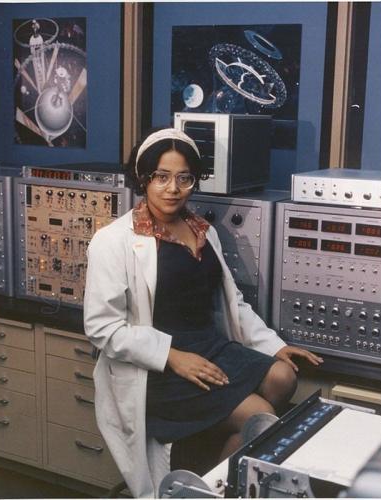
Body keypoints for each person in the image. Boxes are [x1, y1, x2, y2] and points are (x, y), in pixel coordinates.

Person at [83, 128, 323, 498]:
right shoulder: (113, 241)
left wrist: (274, 346)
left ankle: (204, 476)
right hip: (157, 362)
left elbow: (232, 301)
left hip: (208, 344)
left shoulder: (202, 231)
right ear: (143, 178)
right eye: (161, 177)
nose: (172, 188)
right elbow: (102, 328)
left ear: (195, 181)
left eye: (184, 178)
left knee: (282, 378)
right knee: (259, 415)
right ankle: (212, 479)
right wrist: (173, 357)